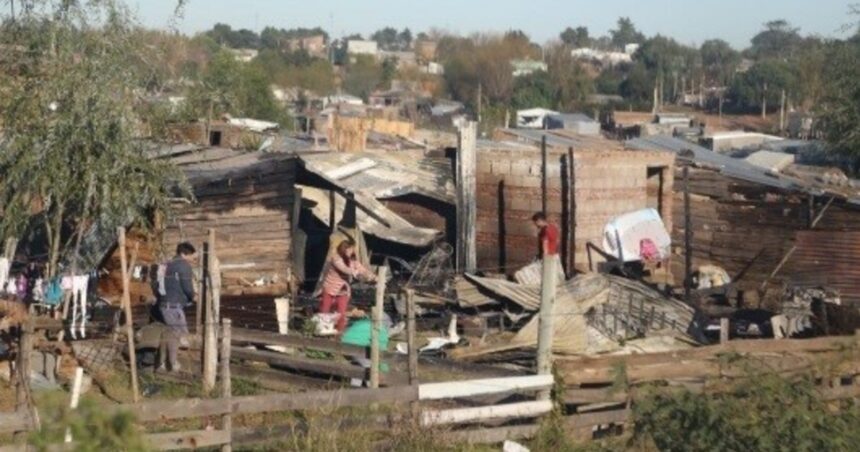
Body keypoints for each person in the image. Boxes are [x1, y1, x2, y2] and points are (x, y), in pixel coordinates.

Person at [319, 239, 376, 333]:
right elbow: (344, 269)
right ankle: (323, 332)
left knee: (341, 313)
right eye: (350, 249)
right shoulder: (336, 258)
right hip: (330, 288)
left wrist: (373, 277)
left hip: (343, 290)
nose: (352, 251)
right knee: (325, 311)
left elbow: (362, 269)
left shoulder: (352, 260)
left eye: (352, 249)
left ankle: (339, 333)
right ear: (344, 249)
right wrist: (357, 273)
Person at [158, 242, 196, 372]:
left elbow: (157, 284)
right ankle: (173, 364)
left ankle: (162, 363)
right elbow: (187, 287)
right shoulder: (184, 266)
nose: (192, 258)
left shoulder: (166, 264)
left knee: (169, 334)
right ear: (184, 254)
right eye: (191, 255)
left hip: (163, 304)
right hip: (174, 306)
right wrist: (193, 296)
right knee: (179, 335)